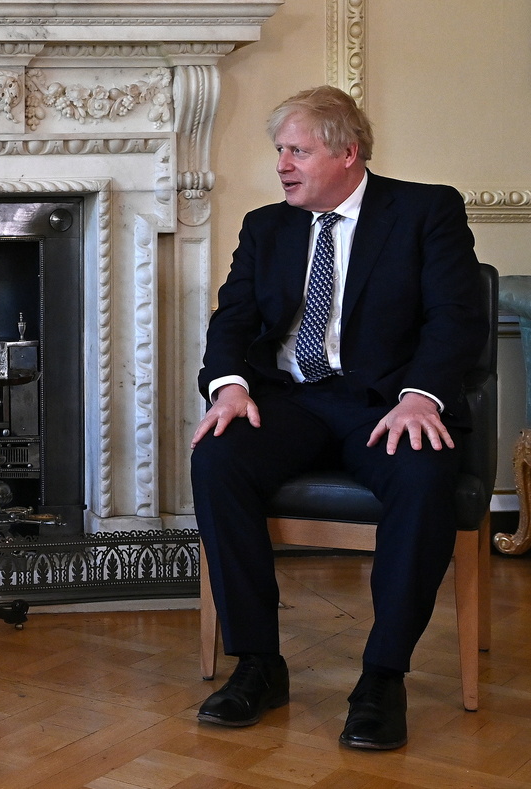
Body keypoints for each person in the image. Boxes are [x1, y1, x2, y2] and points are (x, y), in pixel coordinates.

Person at [189, 85, 486, 750]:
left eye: (297, 151)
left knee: (423, 471)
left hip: (386, 403)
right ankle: (258, 664)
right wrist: (229, 388)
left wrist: (422, 395)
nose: (281, 165)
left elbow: (456, 317)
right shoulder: (266, 226)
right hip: (291, 400)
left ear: (347, 152)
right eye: (279, 151)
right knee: (218, 456)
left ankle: (382, 677)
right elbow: (232, 319)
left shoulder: (425, 210)